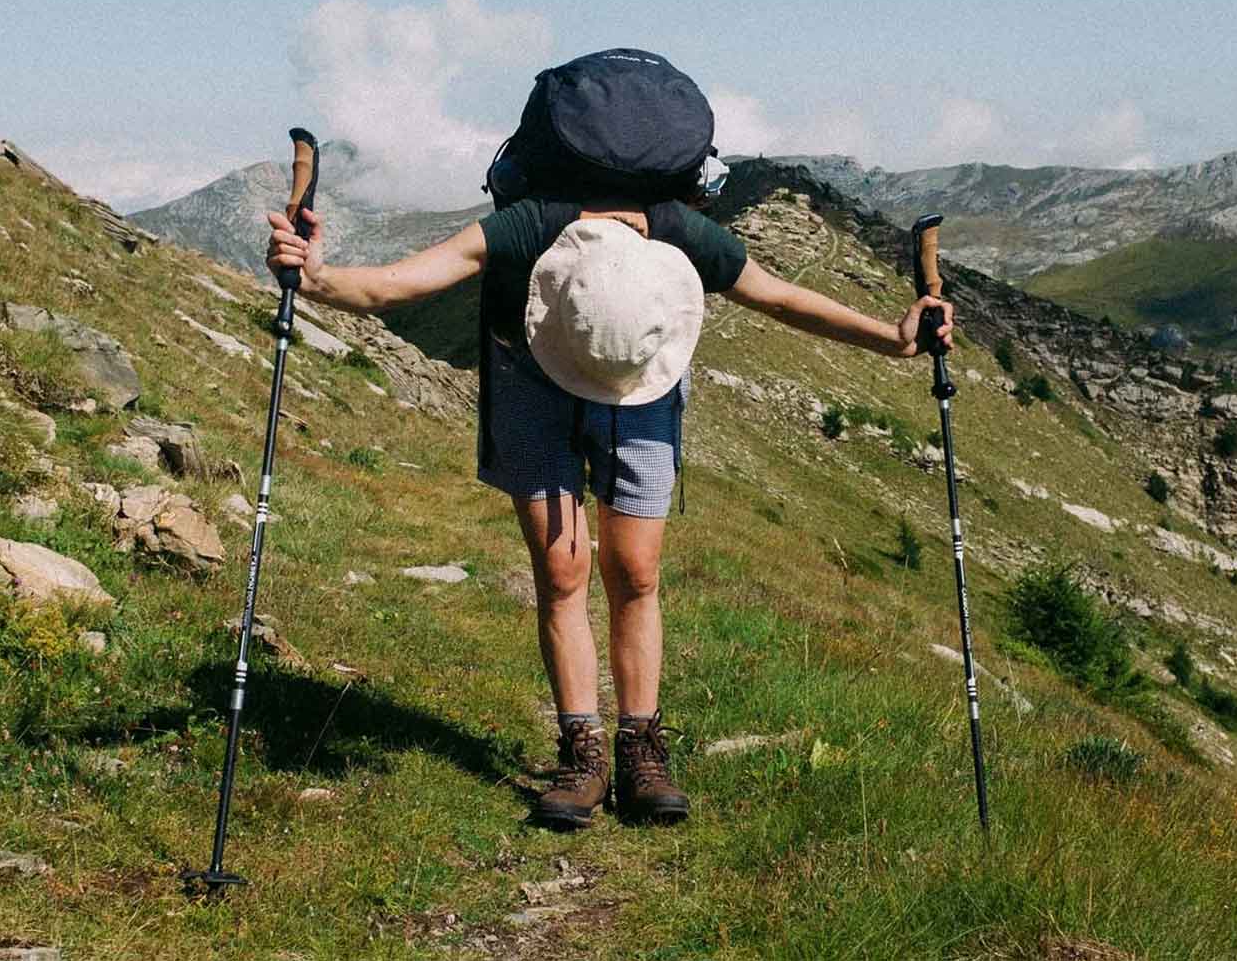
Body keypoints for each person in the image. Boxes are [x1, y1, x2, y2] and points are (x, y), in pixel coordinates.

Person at [265, 83, 952, 831]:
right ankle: (582, 748)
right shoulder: (532, 226)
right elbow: (401, 285)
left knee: (636, 570)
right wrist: (318, 276)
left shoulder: (683, 231)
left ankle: (641, 746)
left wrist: (893, 337)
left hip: (639, 391)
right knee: (562, 571)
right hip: (531, 377)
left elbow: (780, 298)